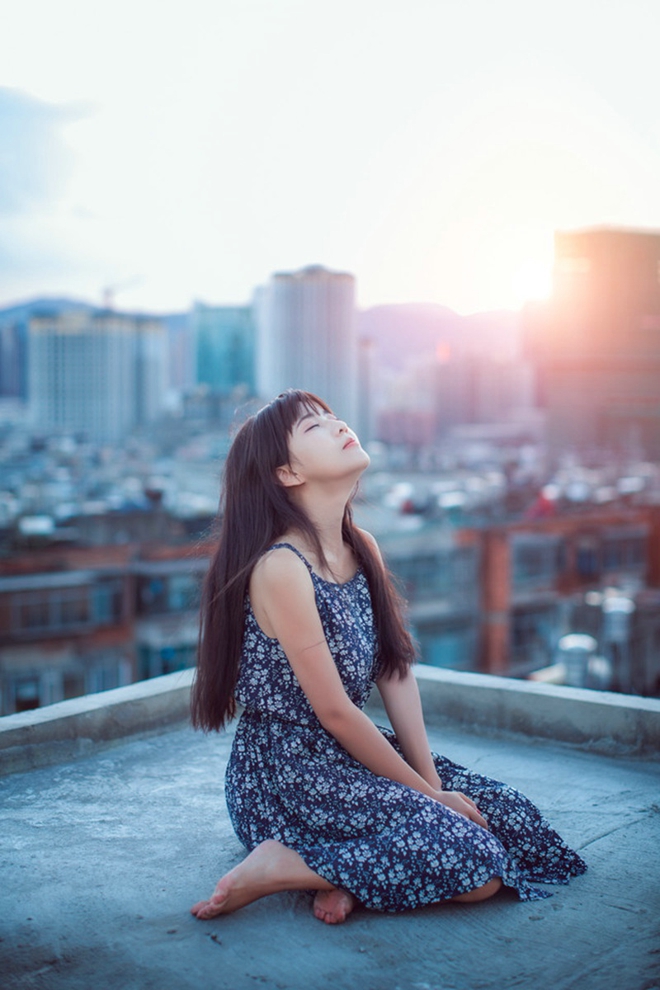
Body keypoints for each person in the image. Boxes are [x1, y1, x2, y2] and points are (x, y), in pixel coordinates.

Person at [190, 389, 586, 924]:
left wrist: (433, 787)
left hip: (348, 761)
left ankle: (340, 877)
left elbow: (394, 673)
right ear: (287, 473)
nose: (337, 426)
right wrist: (429, 801)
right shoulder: (280, 567)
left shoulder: (363, 547)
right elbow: (335, 712)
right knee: (479, 864)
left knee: (512, 821)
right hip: (287, 777)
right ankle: (281, 865)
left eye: (333, 417)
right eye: (315, 428)